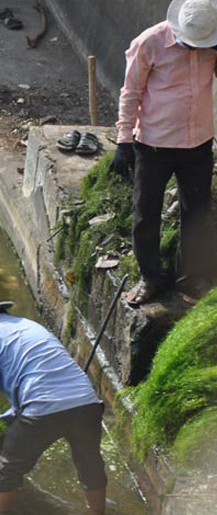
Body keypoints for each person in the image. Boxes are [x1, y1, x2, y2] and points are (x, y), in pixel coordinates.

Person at [0, 293, 107, 515]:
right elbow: (37, 376)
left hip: (43, 410)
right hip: (87, 402)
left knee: (8, 471)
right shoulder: (29, 325)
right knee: (90, 464)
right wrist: (7, 417)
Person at [111, 0, 217, 306]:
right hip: (154, 144)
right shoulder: (150, 43)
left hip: (197, 142)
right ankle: (151, 278)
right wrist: (123, 141)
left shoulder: (212, 41)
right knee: (146, 213)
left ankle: (192, 276)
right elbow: (130, 92)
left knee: (197, 212)